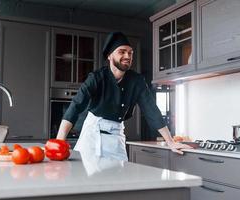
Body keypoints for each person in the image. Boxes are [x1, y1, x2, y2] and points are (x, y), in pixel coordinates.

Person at [56, 32, 192, 161]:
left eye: (130, 53)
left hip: (116, 136)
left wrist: (170, 142)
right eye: (122, 52)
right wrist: (59, 143)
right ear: (109, 56)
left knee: (119, 178)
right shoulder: (96, 78)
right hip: (92, 136)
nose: (127, 56)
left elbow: (151, 110)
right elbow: (75, 106)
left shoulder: (137, 81)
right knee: (88, 181)